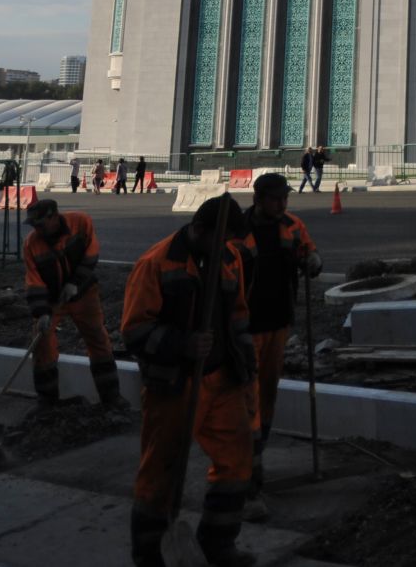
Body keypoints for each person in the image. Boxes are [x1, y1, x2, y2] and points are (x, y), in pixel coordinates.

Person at [123, 194, 258, 567]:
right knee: (161, 470)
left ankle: (218, 542)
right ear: (199, 229)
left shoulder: (229, 261)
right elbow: (134, 332)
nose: (227, 248)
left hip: (222, 379)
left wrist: (247, 367)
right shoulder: (156, 263)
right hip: (176, 385)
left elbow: (239, 319)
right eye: (221, 240)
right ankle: (150, 552)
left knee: (236, 459)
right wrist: (184, 344)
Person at [231, 172, 321, 521]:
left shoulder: (292, 225)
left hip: (279, 323)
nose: (282, 204)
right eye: (275, 199)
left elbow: (308, 251)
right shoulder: (238, 231)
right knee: (247, 399)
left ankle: (257, 454)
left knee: (267, 394)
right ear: (259, 199)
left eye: (285, 198)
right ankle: (249, 481)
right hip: (246, 327)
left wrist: (313, 261)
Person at [21, 198, 123, 407]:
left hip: (84, 294)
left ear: (53, 216)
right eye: (34, 226)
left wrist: (76, 282)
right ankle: (48, 402)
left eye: (39, 224)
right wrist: (41, 313)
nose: (37, 230)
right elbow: (34, 281)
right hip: (51, 300)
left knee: (97, 338)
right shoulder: (32, 244)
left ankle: (111, 397)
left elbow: (92, 253)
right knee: (42, 343)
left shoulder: (80, 222)